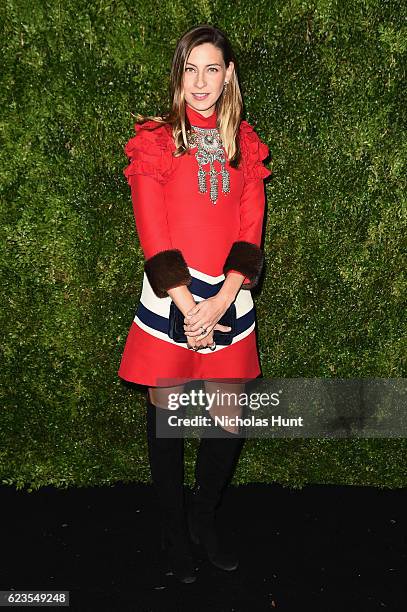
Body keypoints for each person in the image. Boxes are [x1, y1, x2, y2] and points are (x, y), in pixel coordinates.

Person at [118, 24, 272, 584]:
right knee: (168, 419)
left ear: (228, 74)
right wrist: (187, 304)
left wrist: (223, 300)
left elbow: (250, 233)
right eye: (191, 68)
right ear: (179, 75)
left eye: (212, 69)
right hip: (170, 299)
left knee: (227, 418)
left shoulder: (246, 144)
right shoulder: (156, 139)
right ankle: (173, 529)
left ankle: (204, 521)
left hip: (228, 300)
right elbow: (152, 231)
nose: (201, 81)